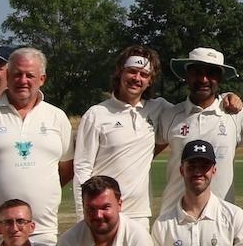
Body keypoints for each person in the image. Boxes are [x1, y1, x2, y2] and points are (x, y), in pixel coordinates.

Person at [0, 47, 74, 246]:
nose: (23, 80)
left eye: (29, 75)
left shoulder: (57, 117)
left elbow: (66, 169)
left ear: (42, 79)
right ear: (8, 76)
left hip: (42, 231)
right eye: (17, 74)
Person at [157, 47, 243, 213]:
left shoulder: (235, 113)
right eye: (197, 72)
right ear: (187, 76)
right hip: (175, 217)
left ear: (220, 78)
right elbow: (145, 155)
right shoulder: (171, 115)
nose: (203, 79)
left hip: (221, 217)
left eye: (211, 73)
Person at [72, 46, 171, 223]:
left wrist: (227, 97)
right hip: (102, 213)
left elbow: (190, 112)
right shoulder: (96, 114)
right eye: (132, 71)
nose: (136, 78)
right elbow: (82, 168)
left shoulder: (159, 109)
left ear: (150, 80)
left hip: (139, 214)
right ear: (120, 72)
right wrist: (84, 215)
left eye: (143, 74)